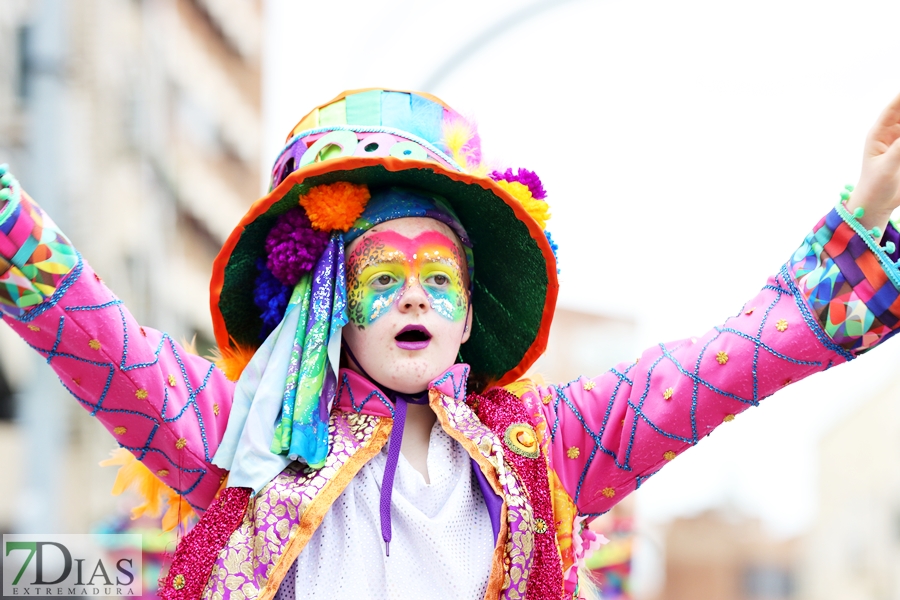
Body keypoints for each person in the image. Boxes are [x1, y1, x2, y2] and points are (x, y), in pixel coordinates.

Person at [1, 87, 900, 600]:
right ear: (330, 307)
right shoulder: (247, 439)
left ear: (469, 315)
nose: (412, 296)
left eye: (439, 276)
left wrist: (859, 222)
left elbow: (715, 369)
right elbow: (94, 336)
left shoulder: (545, 450)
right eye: (379, 276)